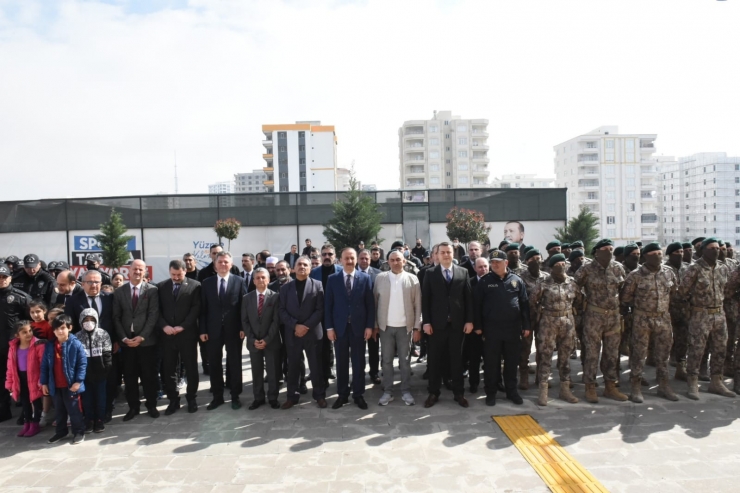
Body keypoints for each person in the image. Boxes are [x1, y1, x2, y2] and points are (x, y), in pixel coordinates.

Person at [620, 243, 679, 403]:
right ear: (645, 256)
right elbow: (626, 298)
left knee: (663, 354)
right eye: (654, 254)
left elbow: (673, 293)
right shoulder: (635, 275)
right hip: (642, 319)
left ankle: (663, 385)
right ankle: (636, 387)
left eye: (660, 253)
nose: (658, 256)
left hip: (663, 318)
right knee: (639, 354)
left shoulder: (668, 273)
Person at [679, 238, 735, 399]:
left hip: (719, 314)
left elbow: (727, 290)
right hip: (700, 314)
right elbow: (682, 292)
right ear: (703, 250)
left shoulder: (722, 268)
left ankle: (716, 381)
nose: (716, 251)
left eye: (717, 248)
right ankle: (692, 382)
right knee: (696, 349)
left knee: (720, 349)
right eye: (711, 248)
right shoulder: (694, 269)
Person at [574, 239, 628, 403]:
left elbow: (622, 289)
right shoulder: (586, 269)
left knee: (612, 353)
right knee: (591, 353)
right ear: (596, 252)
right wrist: (582, 305)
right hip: (593, 317)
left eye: (611, 249)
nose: (609, 252)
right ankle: (590, 386)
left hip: (613, 317)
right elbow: (575, 288)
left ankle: (610, 386)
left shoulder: (618, 268)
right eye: (605, 249)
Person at [474, 251, 530, 406]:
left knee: (512, 363)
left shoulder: (516, 280)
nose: (494, 265)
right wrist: (478, 326)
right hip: (492, 330)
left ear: (506, 263)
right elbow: (476, 305)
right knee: (492, 364)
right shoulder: (485, 281)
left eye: (498, 262)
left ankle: (512, 391)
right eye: (492, 262)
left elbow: (524, 304)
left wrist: (526, 325)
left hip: (512, 330)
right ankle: (491, 393)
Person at [422, 242, 474, 408]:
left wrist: (469, 320)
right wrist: (427, 322)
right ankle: (433, 392)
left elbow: (468, 299)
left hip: (457, 325)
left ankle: (459, 393)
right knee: (435, 359)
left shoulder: (463, 272)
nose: (445, 255)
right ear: (437, 255)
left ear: (454, 254)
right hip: (436, 325)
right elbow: (426, 300)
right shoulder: (430, 274)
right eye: (442, 252)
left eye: (448, 252)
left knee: (456, 360)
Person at [325, 248, 375, 410]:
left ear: (356, 260)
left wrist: (369, 326)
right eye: (346, 258)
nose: (349, 261)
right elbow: (328, 306)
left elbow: (370, 305)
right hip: (339, 329)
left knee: (359, 362)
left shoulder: (365, 278)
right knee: (341, 362)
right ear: (340, 260)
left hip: (359, 328)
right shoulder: (332, 279)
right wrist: (329, 327)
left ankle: (358, 394)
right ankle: (342, 394)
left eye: (352, 258)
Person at [529, 254, 582, 405]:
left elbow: (579, 301)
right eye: (557, 264)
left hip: (567, 322)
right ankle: (543, 391)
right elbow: (532, 301)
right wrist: (539, 316)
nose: (561, 266)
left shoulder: (572, 283)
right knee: (545, 356)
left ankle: (565, 390)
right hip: (548, 322)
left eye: (563, 263)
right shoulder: (543, 283)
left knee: (565, 358)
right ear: (551, 267)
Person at [112, 259, 161, 421]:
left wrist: (142, 336)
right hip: (127, 343)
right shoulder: (119, 292)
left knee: (149, 376)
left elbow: (153, 316)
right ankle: (133, 407)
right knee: (130, 376)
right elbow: (116, 317)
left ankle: (152, 405)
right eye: (135, 269)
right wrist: (124, 338)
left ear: (145, 272)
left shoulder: (152, 291)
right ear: (129, 270)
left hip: (147, 342)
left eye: (141, 270)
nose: (137, 272)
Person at [200, 252, 248, 410]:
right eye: (219, 262)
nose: (222, 265)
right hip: (212, 331)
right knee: (214, 364)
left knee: (234, 364)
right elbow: (203, 309)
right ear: (215, 264)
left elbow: (244, 307)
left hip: (234, 330)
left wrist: (243, 327)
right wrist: (203, 330)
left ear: (231, 264)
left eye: (226, 262)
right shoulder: (206, 283)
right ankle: (217, 397)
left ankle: (235, 396)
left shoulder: (239, 281)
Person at [373, 251, 422, 406]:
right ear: (388, 261)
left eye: (398, 260)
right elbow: (374, 303)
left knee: (405, 361)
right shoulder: (380, 278)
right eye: (392, 260)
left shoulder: (412, 279)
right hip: (385, 327)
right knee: (386, 360)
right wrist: (375, 326)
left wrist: (416, 328)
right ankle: (388, 391)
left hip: (405, 328)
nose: (395, 262)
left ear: (404, 261)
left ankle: (406, 391)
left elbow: (418, 305)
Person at [279, 256, 327, 409]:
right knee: (293, 366)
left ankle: (319, 395)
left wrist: (305, 326)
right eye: (299, 264)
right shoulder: (285, 288)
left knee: (316, 366)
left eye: (305, 265)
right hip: (293, 334)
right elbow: (282, 310)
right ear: (293, 268)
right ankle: (292, 396)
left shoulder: (318, 285)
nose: (302, 267)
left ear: (310, 268)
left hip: (312, 333)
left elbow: (320, 310)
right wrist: (296, 326)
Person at [157, 260, 201, 415]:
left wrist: (183, 326)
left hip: (187, 334)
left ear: (185, 271)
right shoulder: (161, 286)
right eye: (173, 274)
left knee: (191, 367)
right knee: (169, 368)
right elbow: (158, 310)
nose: (175, 277)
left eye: (178, 274)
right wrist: (164, 326)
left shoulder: (195, 286)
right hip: (168, 335)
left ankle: (191, 398)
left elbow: (196, 309)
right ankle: (173, 400)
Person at [40, 315, 87, 444]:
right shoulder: (50, 346)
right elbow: (44, 365)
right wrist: (44, 382)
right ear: (53, 331)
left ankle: (78, 432)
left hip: (71, 385)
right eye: (56, 329)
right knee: (59, 411)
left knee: (74, 410)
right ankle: (61, 432)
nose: (60, 331)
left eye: (63, 328)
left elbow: (82, 364)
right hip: (55, 385)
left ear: (69, 328)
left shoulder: (76, 344)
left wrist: (78, 381)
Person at [242, 268, 281, 410]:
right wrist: (252, 339)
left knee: (273, 371)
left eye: (263, 277)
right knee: (256, 371)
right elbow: (244, 321)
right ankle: (258, 398)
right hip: (254, 342)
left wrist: (266, 339)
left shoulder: (275, 297)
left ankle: (273, 397)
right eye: (257, 278)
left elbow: (276, 321)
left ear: (269, 279)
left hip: (271, 341)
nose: (260, 280)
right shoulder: (247, 298)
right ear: (253, 281)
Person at [0, 264, 32, 422]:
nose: (1, 280)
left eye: (4, 277)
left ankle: (26, 412)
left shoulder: (20, 297)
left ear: (10, 278)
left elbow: (32, 320)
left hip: (15, 347)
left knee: (23, 380)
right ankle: (3, 411)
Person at [75, 308, 113, 432]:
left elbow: (108, 353)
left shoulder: (103, 334)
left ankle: (100, 420)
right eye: (86, 320)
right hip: (85, 375)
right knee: (87, 399)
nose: (89, 322)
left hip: (100, 373)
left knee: (101, 398)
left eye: (92, 319)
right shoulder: (77, 336)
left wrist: (106, 369)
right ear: (81, 321)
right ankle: (89, 420)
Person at [5, 321, 45, 437]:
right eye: (24, 332)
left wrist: (41, 380)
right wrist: (9, 383)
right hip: (20, 378)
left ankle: (35, 424)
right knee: (25, 402)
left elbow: (43, 364)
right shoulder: (13, 347)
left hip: (34, 378)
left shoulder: (38, 345)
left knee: (36, 401)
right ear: (17, 335)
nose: (28, 334)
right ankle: (27, 423)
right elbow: (10, 367)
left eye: (30, 331)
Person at [310, 244, 342, 388]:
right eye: (324, 254)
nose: (327, 257)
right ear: (320, 256)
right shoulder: (314, 272)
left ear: (335, 256)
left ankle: (338, 374)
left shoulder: (342, 271)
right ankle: (323, 375)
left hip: (339, 314)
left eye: (330, 254)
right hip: (320, 315)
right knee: (322, 346)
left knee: (339, 346)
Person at [517, 249, 548, 391]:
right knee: (525, 348)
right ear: (527, 261)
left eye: (538, 258)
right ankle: (523, 376)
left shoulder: (547, 277)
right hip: (527, 318)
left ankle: (540, 377)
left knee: (543, 349)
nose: (536, 261)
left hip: (544, 319)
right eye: (533, 259)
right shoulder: (520, 277)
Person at [463, 257, 490, 393]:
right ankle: (474, 383)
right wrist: (476, 325)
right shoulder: (469, 283)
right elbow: (468, 307)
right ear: (474, 268)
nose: (483, 269)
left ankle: (494, 383)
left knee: (492, 359)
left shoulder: (495, 282)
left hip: (491, 329)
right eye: (480, 267)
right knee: (474, 358)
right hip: (474, 329)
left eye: (485, 266)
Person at [664, 242, 690, 382]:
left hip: (684, 310)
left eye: (681, 252)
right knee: (665, 340)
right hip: (667, 309)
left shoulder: (687, 268)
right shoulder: (664, 269)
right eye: (676, 252)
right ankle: (661, 370)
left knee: (683, 338)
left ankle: (681, 366)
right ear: (669, 254)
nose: (680, 254)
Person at [357, 249, 381, 385]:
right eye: (361, 258)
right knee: (358, 350)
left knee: (374, 348)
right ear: (357, 259)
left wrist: (375, 323)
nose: (364, 261)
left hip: (374, 318)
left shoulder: (379, 275)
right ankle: (359, 374)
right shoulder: (351, 273)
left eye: (366, 258)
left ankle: (374, 372)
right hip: (357, 319)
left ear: (370, 260)